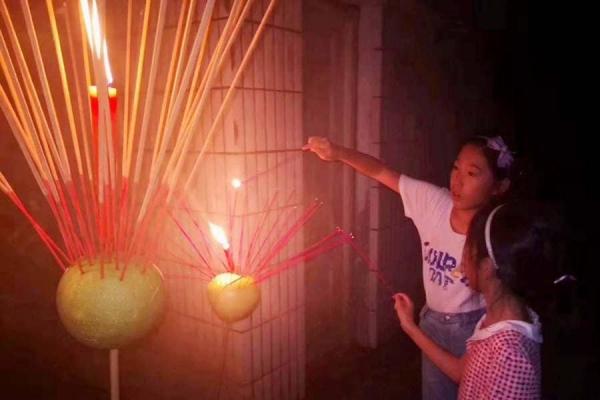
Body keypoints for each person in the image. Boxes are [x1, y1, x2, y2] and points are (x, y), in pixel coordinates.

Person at [303, 135, 514, 399]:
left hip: (475, 327)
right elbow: (381, 171)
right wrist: (337, 152)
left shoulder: (498, 232)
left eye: (472, 173)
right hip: (433, 323)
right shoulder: (434, 202)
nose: (457, 180)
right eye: (456, 167)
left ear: (498, 186)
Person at [394, 202, 566, 399]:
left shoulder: (509, 355)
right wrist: (410, 327)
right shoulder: (497, 319)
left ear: (487, 267)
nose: (461, 261)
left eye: (466, 250)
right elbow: (462, 372)